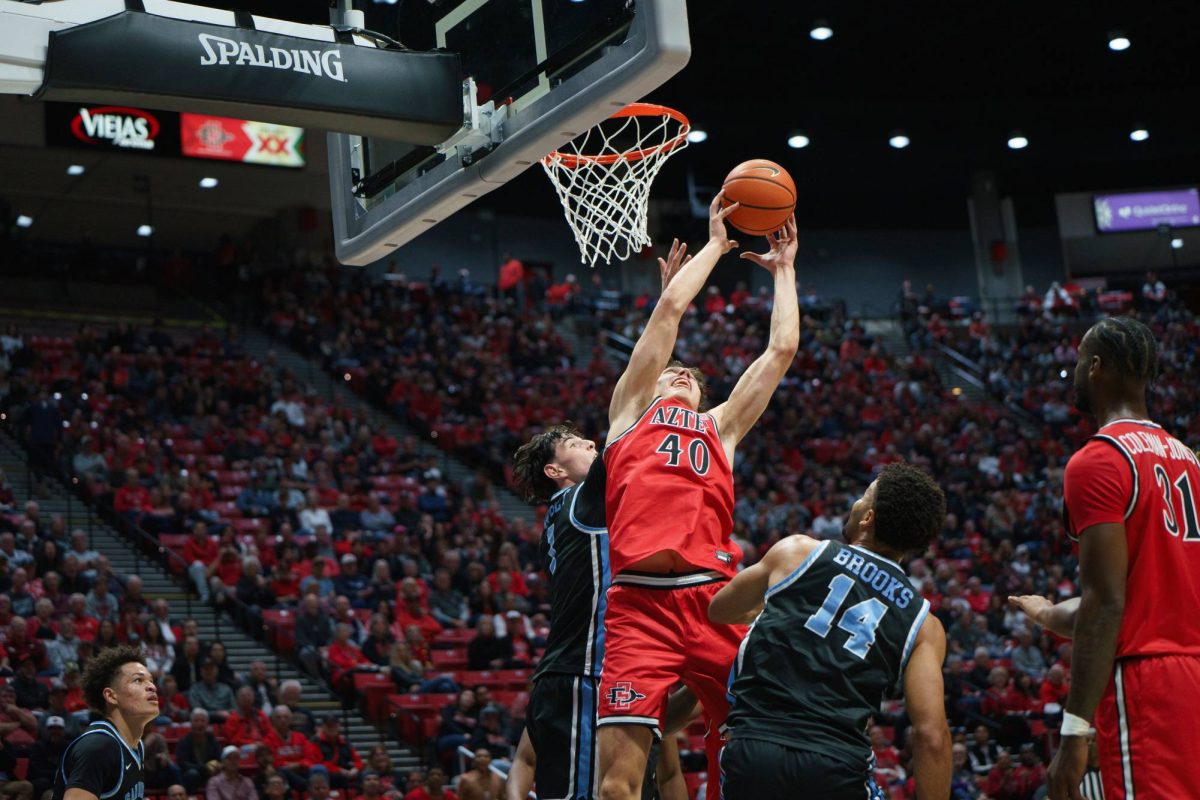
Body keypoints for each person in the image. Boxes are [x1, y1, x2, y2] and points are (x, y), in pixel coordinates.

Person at [597, 197, 800, 800]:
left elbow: (780, 351)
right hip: (638, 606)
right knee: (617, 786)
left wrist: (784, 271)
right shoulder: (629, 414)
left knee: (750, 757)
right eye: (671, 370)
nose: (681, 373)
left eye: (691, 374)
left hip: (715, 603)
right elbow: (669, 309)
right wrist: (716, 245)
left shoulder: (721, 428)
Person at [1008, 316, 1200, 800]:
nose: (1073, 370)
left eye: (1077, 360)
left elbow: (1107, 604)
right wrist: (1049, 613)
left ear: (1096, 367)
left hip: (1147, 687)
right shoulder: (1190, 459)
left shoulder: (1098, 460)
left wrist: (1074, 734)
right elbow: (1141, 600)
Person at [710, 463, 951, 799]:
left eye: (862, 497)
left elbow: (720, 609)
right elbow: (930, 736)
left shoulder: (797, 552)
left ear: (867, 519)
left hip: (753, 751)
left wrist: (783, 608)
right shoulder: (923, 624)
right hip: (836, 766)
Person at [509, 418, 696, 800]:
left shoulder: (574, 516)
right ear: (555, 471)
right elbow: (624, 432)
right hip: (586, 672)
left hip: (600, 671)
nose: (590, 443)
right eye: (577, 444)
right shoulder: (579, 499)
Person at [51, 645, 160, 800]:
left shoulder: (136, 746)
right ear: (111, 696)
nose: (152, 687)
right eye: (138, 680)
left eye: (151, 680)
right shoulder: (98, 747)